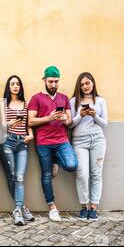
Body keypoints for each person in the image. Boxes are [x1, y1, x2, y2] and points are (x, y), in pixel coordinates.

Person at [27, 65, 78, 222]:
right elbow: (31, 121)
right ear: (44, 80)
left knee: (72, 165)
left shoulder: (63, 98)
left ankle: (56, 160)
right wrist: (48, 118)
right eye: (50, 82)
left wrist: (65, 120)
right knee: (46, 175)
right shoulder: (36, 98)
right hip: (43, 143)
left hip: (62, 140)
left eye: (56, 81)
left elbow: (69, 122)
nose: (54, 85)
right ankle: (52, 207)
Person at [69, 72, 107, 221]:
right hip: (79, 141)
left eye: (88, 83)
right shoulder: (73, 101)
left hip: (98, 139)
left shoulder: (101, 100)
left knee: (96, 174)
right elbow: (70, 124)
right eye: (82, 84)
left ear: (93, 83)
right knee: (82, 174)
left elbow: (104, 123)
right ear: (79, 86)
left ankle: (93, 208)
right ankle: (84, 206)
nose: (85, 86)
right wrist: (81, 115)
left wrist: (94, 115)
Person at [0, 75, 35, 225]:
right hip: (7, 141)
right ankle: (21, 210)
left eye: (18, 84)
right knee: (12, 175)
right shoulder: (3, 104)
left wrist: (31, 135)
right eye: (12, 84)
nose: (15, 86)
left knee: (19, 177)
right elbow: (0, 125)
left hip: (22, 143)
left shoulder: (26, 104)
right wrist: (10, 123)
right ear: (8, 86)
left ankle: (18, 210)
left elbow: (28, 125)